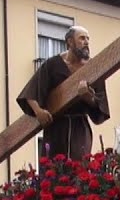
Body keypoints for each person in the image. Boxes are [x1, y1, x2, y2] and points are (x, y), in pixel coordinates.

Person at [16, 26, 110, 161]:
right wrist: (38, 111)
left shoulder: (93, 68)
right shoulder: (52, 65)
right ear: (70, 42)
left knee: (79, 170)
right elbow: (31, 92)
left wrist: (88, 97)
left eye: (88, 38)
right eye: (82, 38)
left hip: (80, 128)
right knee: (54, 170)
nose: (86, 42)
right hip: (56, 127)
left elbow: (100, 104)